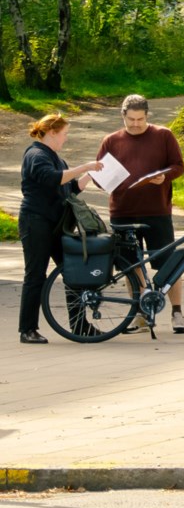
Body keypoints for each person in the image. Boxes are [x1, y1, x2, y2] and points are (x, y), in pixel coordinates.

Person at [99, 94, 184, 333]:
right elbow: (100, 175)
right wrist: (104, 180)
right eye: (131, 119)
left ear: (147, 116)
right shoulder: (111, 141)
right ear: (123, 116)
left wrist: (164, 176)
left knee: (168, 263)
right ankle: (139, 314)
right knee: (131, 266)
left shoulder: (163, 135)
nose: (136, 124)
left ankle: (177, 312)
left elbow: (178, 166)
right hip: (123, 213)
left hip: (156, 211)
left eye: (140, 119)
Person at [17, 113, 84, 344]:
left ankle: (80, 325)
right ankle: (27, 329)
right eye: (64, 134)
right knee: (36, 275)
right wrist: (84, 166)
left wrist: (90, 176)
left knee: (73, 272)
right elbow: (52, 179)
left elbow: (68, 188)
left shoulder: (56, 158)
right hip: (36, 221)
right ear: (53, 133)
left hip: (56, 224)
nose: (66, 138)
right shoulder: (35, 154)